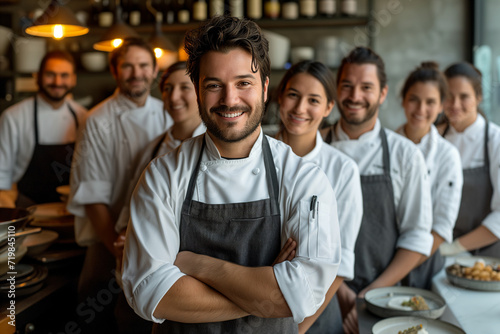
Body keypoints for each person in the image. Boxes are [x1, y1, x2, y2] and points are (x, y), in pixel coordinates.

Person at [122, 15, 341, 333]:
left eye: (243, 83)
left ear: (265, 89)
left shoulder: (304, 178)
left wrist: (197, 265)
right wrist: (266, 294)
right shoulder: (162, 176)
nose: (229, 100)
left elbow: (305, 296)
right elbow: (150, 294)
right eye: (214, 85)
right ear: (197, 91)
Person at [321, 47, 433, 333]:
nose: (355, 96)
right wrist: (339, 289)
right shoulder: (314, 148)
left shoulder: (405, 155)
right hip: (319, 293)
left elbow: (417, 238)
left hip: (385, 297)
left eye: (366, 87)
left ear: (382, 93)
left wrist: (367, 297)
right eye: (347, 86)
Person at [67, 38, 172, 334]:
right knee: (97, 311)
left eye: (143, 66)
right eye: (128, 66)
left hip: (157, 240)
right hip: (109, 237)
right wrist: (118, 250)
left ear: (154, 72)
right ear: (115, 71)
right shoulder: (97, 120)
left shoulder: (168, 111)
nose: (136, 73)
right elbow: (92, 194)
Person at [273, 60, 363, 334]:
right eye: (293, 95)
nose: (300, 108)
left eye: (313, 100)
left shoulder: (342, 169)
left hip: (316, 319)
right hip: (251, 303)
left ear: (328, 108)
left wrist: (297, 330)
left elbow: (340, 263)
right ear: (279, 98)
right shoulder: (253, 154)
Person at [114, 61, 206, 271]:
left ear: (201, 92)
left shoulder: (215, 147)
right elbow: (133, 206)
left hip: (199, 265)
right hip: (153, 264)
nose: (174, 97)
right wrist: (123, 238)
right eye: (167, 89)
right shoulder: (152, 149)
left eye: (184, 87)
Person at [395, 61, 463, 289]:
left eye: (430, 102)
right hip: (377, 259)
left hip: (424, 266)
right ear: (403, 100)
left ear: (442, 106)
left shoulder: (448, 155)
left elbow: (442, 227)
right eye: (414, 99)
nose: (421, 109)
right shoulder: (385, 145)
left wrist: (400, 267)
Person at [0, 50, 86, 208]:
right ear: (37, 77)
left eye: (64, 75)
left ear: (74, 79)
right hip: (26, 209)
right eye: (50, 74)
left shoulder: (83, 117)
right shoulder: (13, 116)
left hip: (71, 210)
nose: (57, 81)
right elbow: (2, 176)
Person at [438, 62, 500, 257]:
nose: (455, 105)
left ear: (478, 97)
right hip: (437, 255)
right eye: (448, 96)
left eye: (464, 97)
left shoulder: (495, 140)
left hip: (487, 259)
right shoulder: (436, 140)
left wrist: (454, 248)